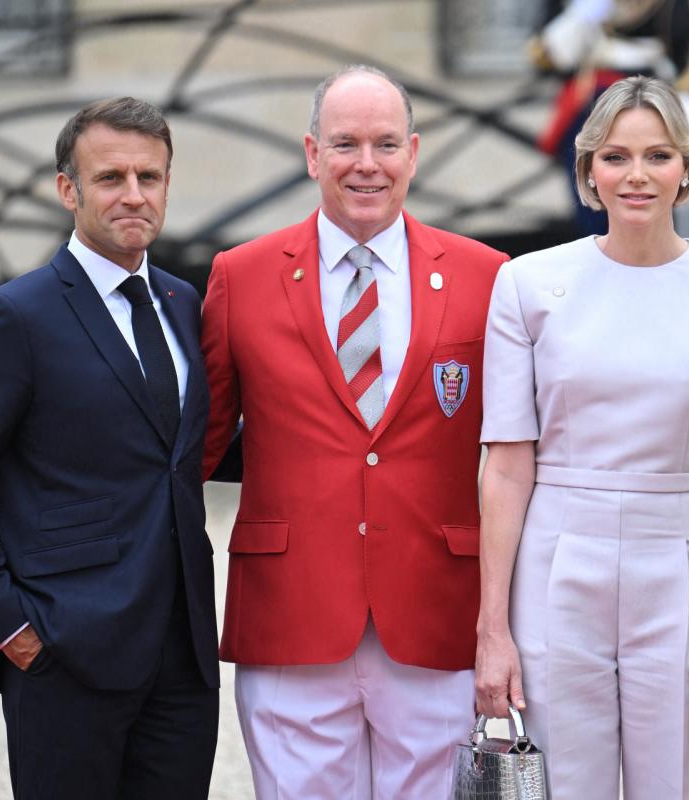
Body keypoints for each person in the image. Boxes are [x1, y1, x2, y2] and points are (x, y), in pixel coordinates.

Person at [200, 65, 508, 799]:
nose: (367, 164)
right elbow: (195, 449)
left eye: (385, 144)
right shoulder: (240, 277)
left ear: (413, 154)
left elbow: (518, 456)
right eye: (345, 144)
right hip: (290, 616)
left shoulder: (488, 276)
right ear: (312, 154)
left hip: (437, 616)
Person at [475, 75, 689, 798]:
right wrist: (493, 629)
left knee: (684, 780)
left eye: (658, 156)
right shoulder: (525, 283)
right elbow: (507, 466)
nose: (637, 175)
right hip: (556, 557)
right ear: (588, 171)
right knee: (557, 781)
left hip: (688, 556)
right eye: (615, 157)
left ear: (686, 169)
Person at [0, 97, 219, 799]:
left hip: (184, 657)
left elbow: (186, 449)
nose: (134, 195)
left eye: (149, 177)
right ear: (68, 190)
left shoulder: (183, 303)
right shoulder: (12, 316)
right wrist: (8, 627)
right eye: (111, 177)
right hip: (64, 653)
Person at [532, 0, 689, 237]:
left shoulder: (670, 6)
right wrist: (581, 17)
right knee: (592, 198)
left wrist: (687, 118)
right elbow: (551, 58)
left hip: (652, 99)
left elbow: (686, 63)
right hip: (592, 104)